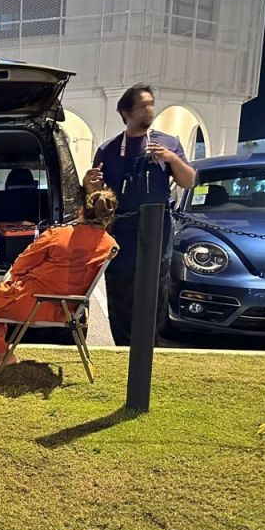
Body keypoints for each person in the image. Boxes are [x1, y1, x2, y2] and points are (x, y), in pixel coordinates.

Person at [0, 189, 120, 375]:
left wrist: (19, 280)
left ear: (81, 210)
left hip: (33, 302)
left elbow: (20, 265)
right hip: (68, 309)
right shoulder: (109, 245)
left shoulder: (58, 234)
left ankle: (1, 353)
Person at [83, 83, 196, 345]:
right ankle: (123, 348)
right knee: (120, 292)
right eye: (143, 106)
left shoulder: (168, 143)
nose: (150, 110)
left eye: (151, 104)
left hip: (157, 233)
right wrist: (90, 185)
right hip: (121, 233)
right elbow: (98, 197)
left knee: (156, 293)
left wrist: (172, 159)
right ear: (126, 112)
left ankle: (151, 348)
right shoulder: (109, 150)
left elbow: (189, 180)